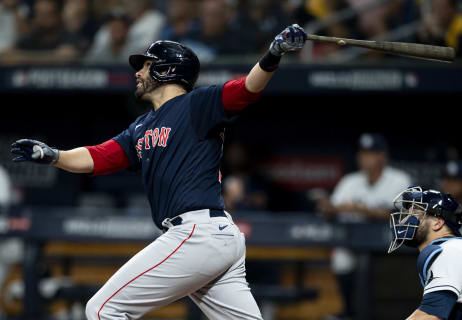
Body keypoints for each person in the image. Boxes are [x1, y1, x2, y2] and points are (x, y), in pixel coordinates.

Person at [11, 24, 307, 320]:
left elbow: (246, 89)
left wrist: (273, 53)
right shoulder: (141, 126)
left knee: (103, 309)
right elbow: (98, 156)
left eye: (147, 65)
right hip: (214, 237)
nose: (138, 72)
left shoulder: (197, 104)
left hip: (197, 233)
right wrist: (54, 155)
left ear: (167, 70)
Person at [319, 133, 411, 319]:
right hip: (355, 240)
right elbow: (331, 209)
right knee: (341, 258)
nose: (366, 157)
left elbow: (402, 213)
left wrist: (363, 210)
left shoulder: (399, 179)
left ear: (383, 156)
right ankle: (350, 312)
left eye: (372, 153)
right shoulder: (350, 181)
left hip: (390, 244)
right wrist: (327, 207)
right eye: (363, 153)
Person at [388, 186, 462, 319]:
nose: (404, 220)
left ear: (437, 223)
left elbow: (430, 315)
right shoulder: (454, 249)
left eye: (415, 213)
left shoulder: (450, 251)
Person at [0, 0, 81, 65]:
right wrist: (52, 57)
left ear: (58, 16)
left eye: (46, 15)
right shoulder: (32, 37)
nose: (41, 20)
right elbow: (6, 56)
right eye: (38, 14)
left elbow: (67, 57)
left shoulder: (68, 35)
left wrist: (23, 57)